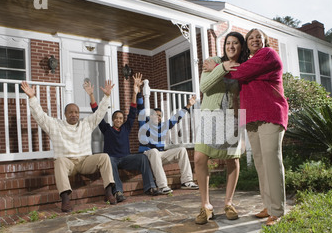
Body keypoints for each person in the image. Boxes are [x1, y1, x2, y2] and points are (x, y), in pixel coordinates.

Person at [21, 80, 117, 212]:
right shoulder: (56, 125)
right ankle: (65, 199)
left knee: (104, 157)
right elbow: (40, 117)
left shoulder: (86, 124)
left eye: (76, 112)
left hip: (84, 161)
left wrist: (106, 97)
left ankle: (109, 192)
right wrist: (32, 98)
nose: (74, 114)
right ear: (65, 114)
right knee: (59, 161)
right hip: (68, 163)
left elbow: (99, 113)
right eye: (71, 112)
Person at [226, 28, 289, 226]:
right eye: (250, 38)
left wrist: (222, 68)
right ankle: (269, 206)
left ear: (265, 41)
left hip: (270, 113)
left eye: (258, 37)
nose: (254, 40)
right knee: (261, 163)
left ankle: (277, 211)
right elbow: (237, 75)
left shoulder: (268, 55)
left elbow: (239, 73)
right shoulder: (249, 62)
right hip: (252, 117)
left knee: (271, 160)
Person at [194, 32, 246, 225]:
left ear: (241, 47)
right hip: (209, 115)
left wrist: (242, 128)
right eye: (228, 43)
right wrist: (221, 67)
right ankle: (206, 206)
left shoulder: (244, 67)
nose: (231, 46)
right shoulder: (214, 61)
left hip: (232, 117)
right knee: (200, 157)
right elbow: (205, 86)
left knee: (232, 160)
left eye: (235, 43)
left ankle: (229, 203)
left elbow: (242, 95)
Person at [85, 74, 161, 201]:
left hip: (126, 158)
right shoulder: (107, 129)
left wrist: (135, 92)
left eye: (121, 118)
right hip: (113, 160)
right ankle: (118, 192)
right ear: (113, 119)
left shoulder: (126, 128)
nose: (118, 120)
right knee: (109, 160)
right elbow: (97, 114)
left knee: (143, 158)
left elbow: (132, 112)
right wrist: (91, 95)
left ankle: (150, 187)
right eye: (116, 118)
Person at [137, 86, 199, 194]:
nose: (159, 117)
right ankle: (162, 186)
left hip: (160, 155)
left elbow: (176, 118)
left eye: (160, 116)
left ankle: (187, 181)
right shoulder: (144, 124)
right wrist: (138, 94)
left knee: (182, 150)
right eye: (156, 115)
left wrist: (188, 105)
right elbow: (140, 109)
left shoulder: (164, 126)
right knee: (155, 152)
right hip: (148, 155)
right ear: (151, 116)